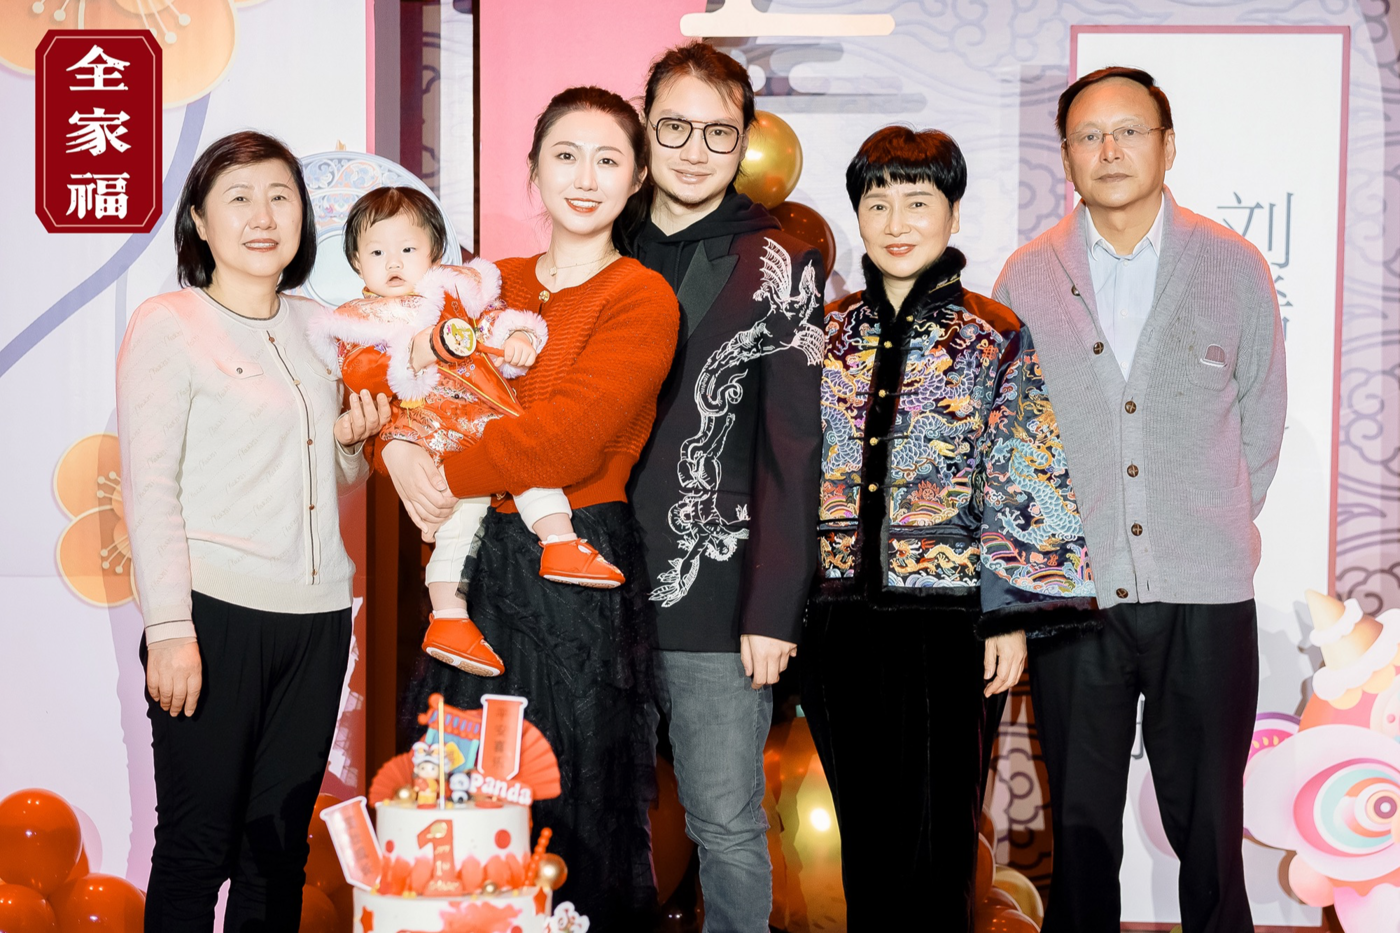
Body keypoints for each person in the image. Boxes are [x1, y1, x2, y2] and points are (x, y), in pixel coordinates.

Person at [992, 67, 1287, 932]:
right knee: (1082, 828)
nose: (1110, 150)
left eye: (1129, 131)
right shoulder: (1026, 276)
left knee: (1210, 826)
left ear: (1167, 145)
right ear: (1066, 157)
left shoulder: (1232, 265)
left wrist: (1211, 524)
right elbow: (1013, 440)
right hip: (1075, 598)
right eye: (1089, 136)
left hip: (1206, 594)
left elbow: (1261, 417)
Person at [379, 86, 680, 928]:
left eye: (608, 160)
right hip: (472, 575)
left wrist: (443, 469)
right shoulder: (482, 283)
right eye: (566, 156)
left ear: (637, 179)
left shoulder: (641, 296)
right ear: (534, 169)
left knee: (571, 796)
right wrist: (393, 449)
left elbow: (567, 440)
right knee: (463, 801)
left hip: (572, 569)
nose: (585, 178)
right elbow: (401, 377)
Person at [804, 126, 1096, 932]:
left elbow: (1025, 473)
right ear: (858, 216)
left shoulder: (994, 334)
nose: (897, 221)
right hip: (836, 617)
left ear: (953, 214)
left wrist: (1012, 617)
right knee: (864, 840)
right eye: (878, 203)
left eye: (918, 201)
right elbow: (791, 467)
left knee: (937, 840)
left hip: (949, 622)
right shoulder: (826, 336)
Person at [116, 131, 390, 932]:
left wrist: (351, 446)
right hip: (211, 616)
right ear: (200, 221)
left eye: (280, 196)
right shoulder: (170, 323)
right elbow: (150, 488)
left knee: (277, 851)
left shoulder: (323, 327)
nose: (263, 216)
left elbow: (326, 476)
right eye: (239, 198)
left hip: (317, 618)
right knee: (196, 845)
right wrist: (170, 627)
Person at [621, 41, 824, 933]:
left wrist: (774, 609)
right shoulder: (596, 241)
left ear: (744, 139)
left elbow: (793, 449)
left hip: (718, 589)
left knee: (727, 824)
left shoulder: (783, 260)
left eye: (718, 131)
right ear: (644, 128)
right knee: (600, 821)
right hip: (592, 586)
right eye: (675, 127)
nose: (695, 149)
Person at [308, 186, 625, 678]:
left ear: (434, 252)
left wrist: (516, 336)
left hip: (483, 418)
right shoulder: (359, 320)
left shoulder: (454, 292)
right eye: (376, 253)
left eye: (407, 249)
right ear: (355, 261)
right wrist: (417, 351)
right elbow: (362, 373)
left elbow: (492, 322)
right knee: (459, 523)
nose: (393, 263)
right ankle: (449, 617)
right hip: (426, 430)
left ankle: (558, 542)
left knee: (523, 464)